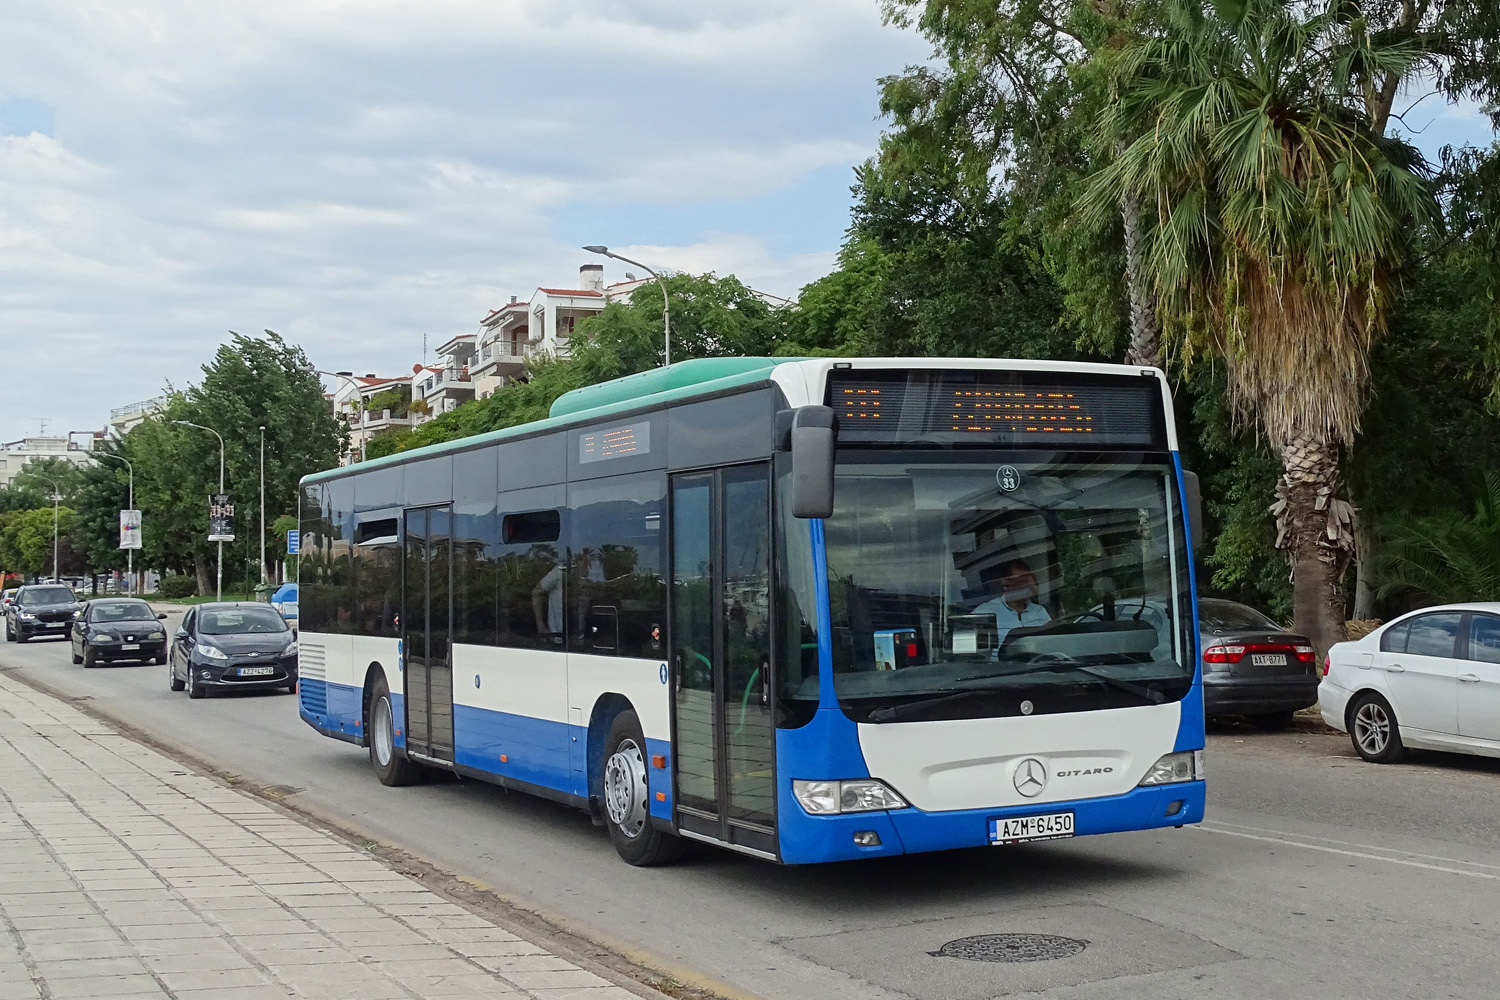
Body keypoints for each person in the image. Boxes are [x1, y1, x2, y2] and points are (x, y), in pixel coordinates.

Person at [974, 558, 1051, 645]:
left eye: (1031, 580)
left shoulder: (1040, 611)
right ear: (1005, 583)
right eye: (1023, 580)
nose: (1030, 585)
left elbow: (1052, 643)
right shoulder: (985, 612)